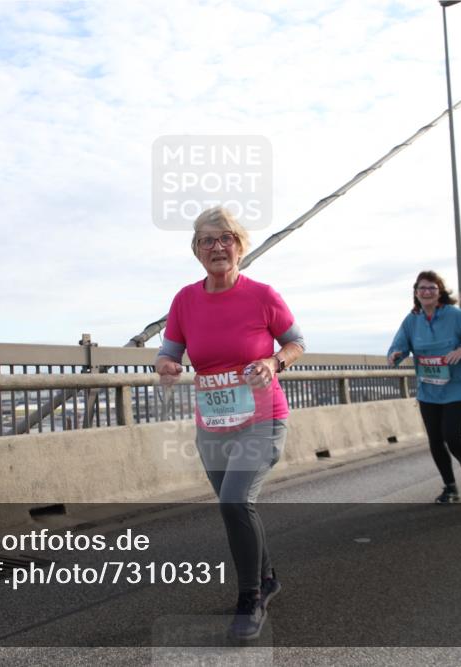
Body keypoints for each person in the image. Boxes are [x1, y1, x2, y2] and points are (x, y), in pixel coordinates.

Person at [155, 206, 304, 641]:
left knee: (235, 503)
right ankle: (267, 577)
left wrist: (273, 362)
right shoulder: (185, 300)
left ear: (240, 246)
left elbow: (296, 342)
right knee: (236, 506)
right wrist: (165, 365)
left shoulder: (262, 295)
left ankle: (251, 598)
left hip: (262, 418)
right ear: (197, 251)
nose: (217, 247)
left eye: (226, 238)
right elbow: (169, 352)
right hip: (213, 423)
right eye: (207, 240)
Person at [388, 271, 461, 503]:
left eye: (432, 288)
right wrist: (395, 355)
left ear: (440, 292)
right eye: (422, 288)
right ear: (416, 293)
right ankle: (450, 487)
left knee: (451, 435)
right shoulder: (412, 320)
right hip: (429, 389)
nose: (427, 292)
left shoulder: (456, 315)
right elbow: (399, 346)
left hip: (457, 387)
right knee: (435, 439)